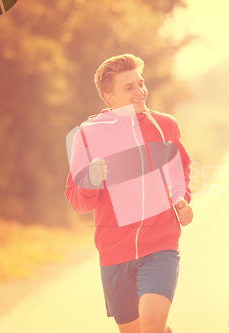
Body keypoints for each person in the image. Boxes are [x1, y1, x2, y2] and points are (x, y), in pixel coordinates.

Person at [65, 54, 193, 333]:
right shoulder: (88, 135)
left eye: (141, 83)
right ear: (109, 97)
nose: (140, 91)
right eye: (129, 87)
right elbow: (76, 198)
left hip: (160, 244)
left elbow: (180, 167)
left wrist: (181, 198)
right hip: (114, 252)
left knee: (151, 324)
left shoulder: (164, 125)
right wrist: (90, 180)